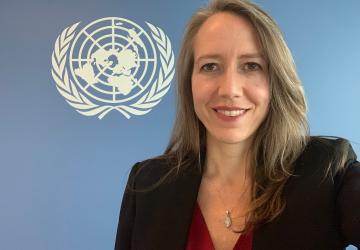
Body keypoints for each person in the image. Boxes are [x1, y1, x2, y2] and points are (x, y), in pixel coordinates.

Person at [115, 0, 360, 249]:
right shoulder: (146, 184)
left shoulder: (330, 171)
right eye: (210, 66)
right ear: (190, 83)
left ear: (275, 80)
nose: (229, 89)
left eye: (251, 66)